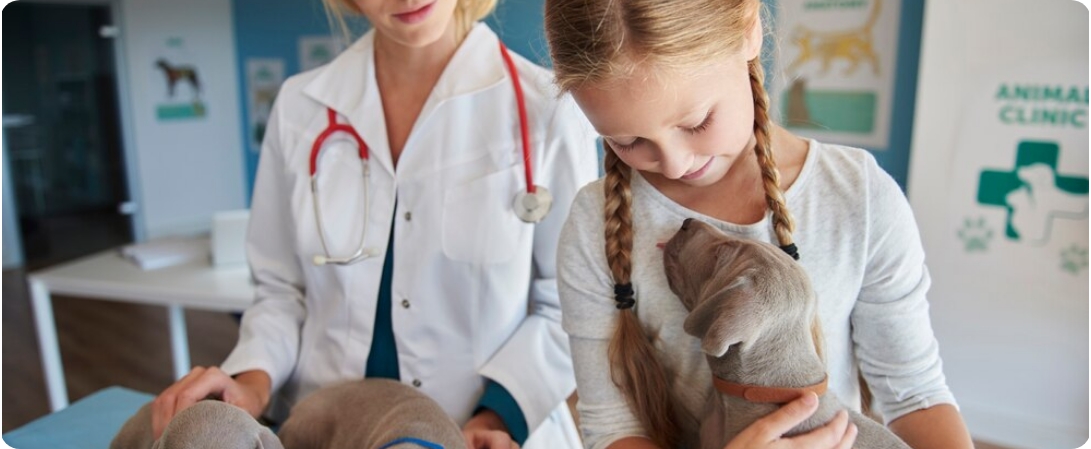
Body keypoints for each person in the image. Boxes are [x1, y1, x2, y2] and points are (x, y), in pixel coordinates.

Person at [112, 0, 598, 448]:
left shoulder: (548, 109)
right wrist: (251, 383)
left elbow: (568, 305)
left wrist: (496, 417)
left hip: (479, 432)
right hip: (323, 427)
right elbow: (282, 291)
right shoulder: (300, 106)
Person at [544, 1, 975, 448]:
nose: (674, 164)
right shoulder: (594, 224)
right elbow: (613, 426)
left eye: (697, 123)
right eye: (627, 141)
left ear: (748, 31)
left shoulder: (857, 197)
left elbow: (915, 395)